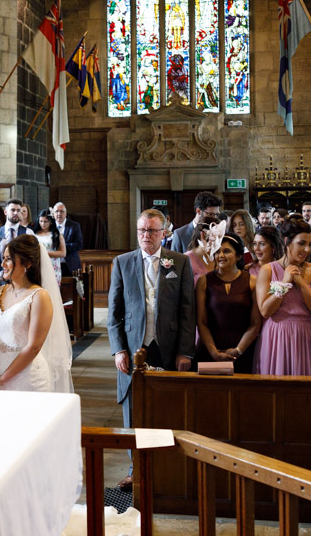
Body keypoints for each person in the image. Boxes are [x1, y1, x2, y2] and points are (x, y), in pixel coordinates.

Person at [107, 208, 195, 491]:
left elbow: (187, 310)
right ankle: (136, 470)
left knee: (165, 408)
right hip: (135, 347)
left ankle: (164, 466)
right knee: (134, 411)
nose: (146, 235)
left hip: (167, 346)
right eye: (142, 230)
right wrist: (119, 349)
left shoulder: (178, 262)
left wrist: (185, 351)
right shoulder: (123, 262)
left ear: (164, 233)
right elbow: (114, 312)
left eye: (152, 231)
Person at [0, 234, 72, 393]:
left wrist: (2, 378)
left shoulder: (39, 296)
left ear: (27, 264)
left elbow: (34, 346)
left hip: (28, 379)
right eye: (3, 258)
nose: (2, 264)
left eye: (8, 259)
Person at [254, 219, 311, 376]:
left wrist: (300, 283)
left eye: (309, 244)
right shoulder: (268, 270)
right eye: (301, 243)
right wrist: (285, 283)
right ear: (287, 241)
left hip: (306, 334)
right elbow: (265, 311)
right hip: (277, 334)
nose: (307, 249)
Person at [195, 233, 261, 374]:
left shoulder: (252, 281)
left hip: (243, 349)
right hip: (210, 348)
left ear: (238, 256)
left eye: (226, 251)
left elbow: (255, 322)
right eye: (217, 251)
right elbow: (201, 321)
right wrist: (214, 352)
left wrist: (238, 350)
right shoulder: (204, 281)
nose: (221, 256)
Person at [184, 215, 220, 285]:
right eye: (216, 236)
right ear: (203, 235)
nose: (219, 241)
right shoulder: (186, 259)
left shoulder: (220, 256)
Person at [34, 209, 66, 284]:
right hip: (37, 264)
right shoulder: (34, 233)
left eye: (45, 221)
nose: (42, 224)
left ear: (50, 222)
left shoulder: (57, 235)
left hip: (52, 265)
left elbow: (63, 253)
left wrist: (45, 253)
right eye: (41, 221)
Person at [52, 202, 84, 276]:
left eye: (61, 211)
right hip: (53, 265)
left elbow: (79, 244)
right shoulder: (50, 226)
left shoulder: (74, 226)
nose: (59, 214)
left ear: (65, 213)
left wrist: (62, 247)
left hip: (70, 265)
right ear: (53, 213)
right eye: (56, 211)